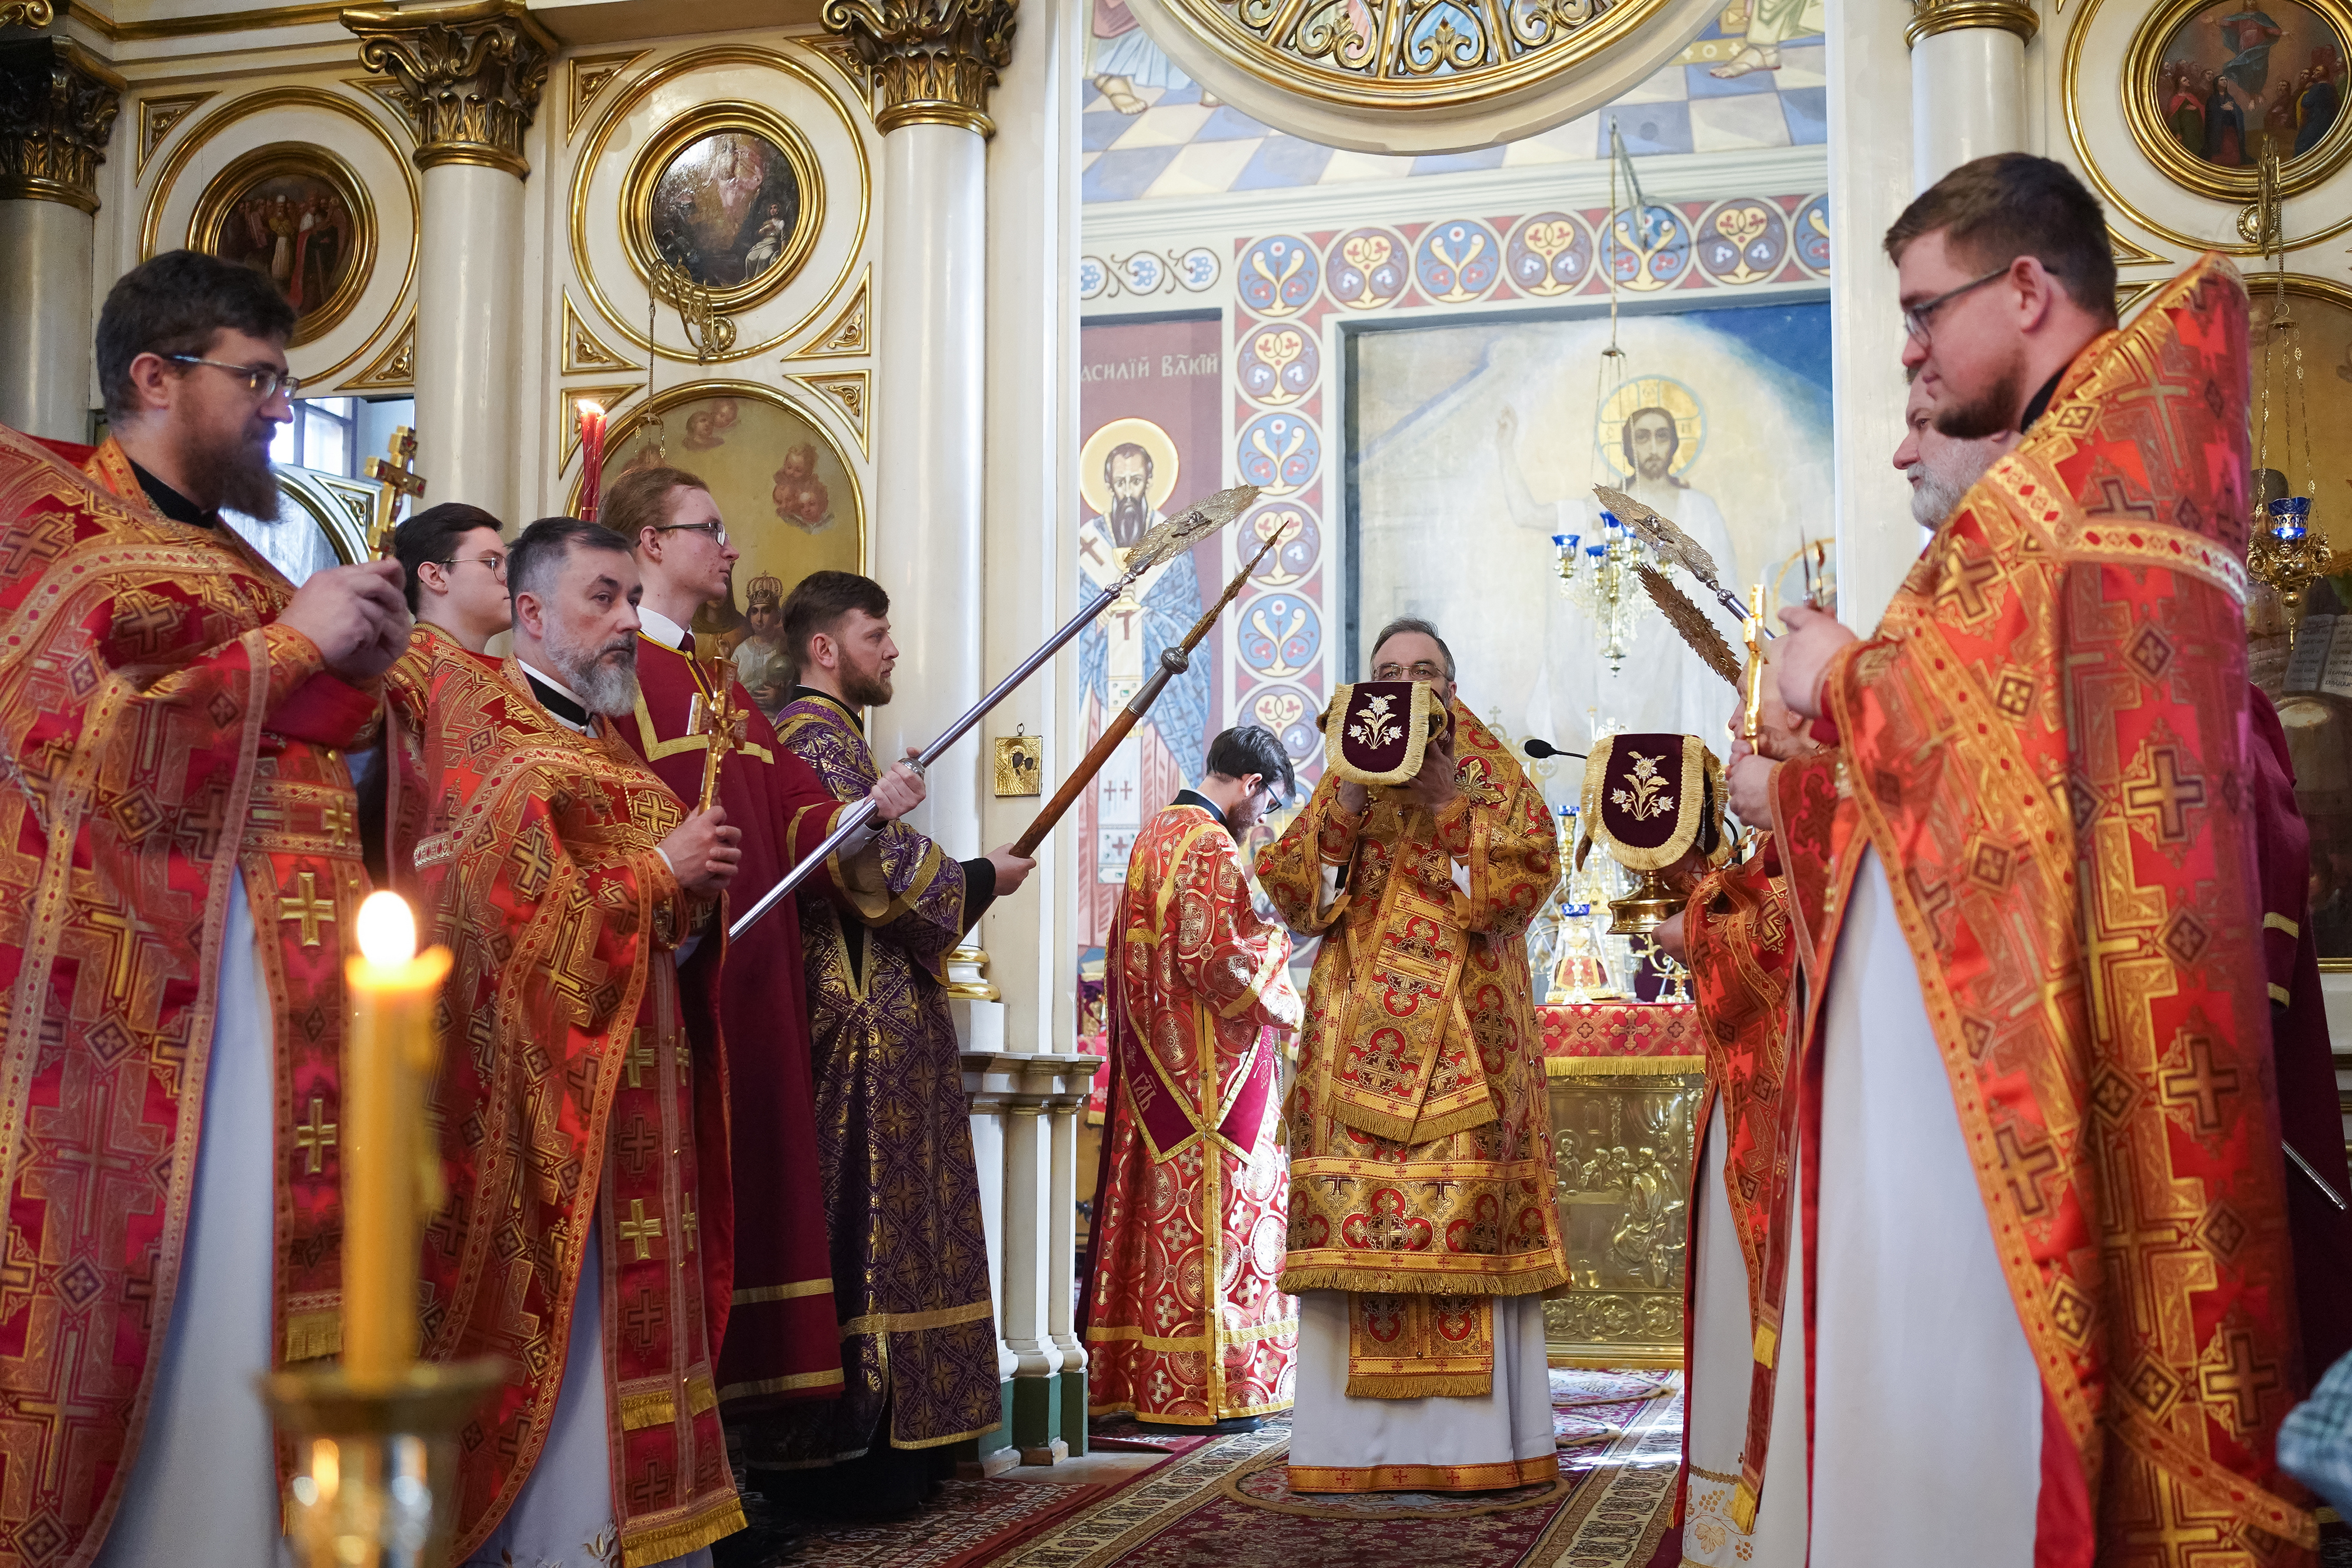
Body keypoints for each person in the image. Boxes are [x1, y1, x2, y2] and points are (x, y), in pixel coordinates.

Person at [1752, 153, 2314, 1563]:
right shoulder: (2107, 458)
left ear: (2021, 289)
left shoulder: (2079, 479)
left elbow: (1959, 723)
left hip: (2052, 1061)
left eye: (1921, 312)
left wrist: (1833, 678)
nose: (1909, 352)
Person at [0, 250, 409, 1565]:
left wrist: (361, 678)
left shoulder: (237, 562)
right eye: (260, 379)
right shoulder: (48, 521)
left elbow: (304, 743)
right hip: (145, 1015)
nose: (282, 409)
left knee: (257, 1278)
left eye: (287, 383)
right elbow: (70, 746)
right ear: (154, 375)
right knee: (178, 1284)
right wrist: (298, 646)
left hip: (286, 999)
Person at [1671, 375, 2011, 1567]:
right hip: (1795, 1107)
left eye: (1769, 714)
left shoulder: (1882, 732)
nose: (1751, 733)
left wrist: (1767, 831)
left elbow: (1800, 933)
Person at [416, 517, 746, 1567]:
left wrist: (690, 892)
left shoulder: (608, 748)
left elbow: (652, 910)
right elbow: (500, 920)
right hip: (546, 1114)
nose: (627, 621)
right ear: (531, 611)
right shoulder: (492, 735)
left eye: (630, 599)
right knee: (574, 1341)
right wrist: (659, 874)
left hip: (644, 1100)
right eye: (603, 597)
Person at [599, 466, 928, 1469]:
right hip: (678, 973)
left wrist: (865, 809)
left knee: (754, 1188)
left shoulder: (718, 681)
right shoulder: (618, 673)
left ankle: (733, 1460)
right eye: (710, 528)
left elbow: (792, 809)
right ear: (652, 543)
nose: (732, 548)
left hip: (759, 976)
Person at [1257, 617, 1566, 1493]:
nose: (1404, 686)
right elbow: (1293, 893)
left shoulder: (1490, 771)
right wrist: (1349, 801)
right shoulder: (1343, 776)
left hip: (1469, 1048)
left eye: (1422, 670)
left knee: (1465, 1228)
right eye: (1387, 673)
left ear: (1450, 686)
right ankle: (1346, 1448)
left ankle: (1479, 1444)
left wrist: (1444, 804)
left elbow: (1524, 883)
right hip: (1355, 1051)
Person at [754, 571, 1037, 1514]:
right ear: (824, 647)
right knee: (869, 1223)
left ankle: (904, 1441)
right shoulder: (812, 738)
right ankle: (860, 1451)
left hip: (882, 1016)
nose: (893, 649)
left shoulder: (842, 740)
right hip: (857, 1025)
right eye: (875, 633)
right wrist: (981, 876)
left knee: (896, 1221)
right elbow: (867, 866)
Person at [1083, 724, 1304, 1431]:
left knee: (1161, 1221)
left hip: (1157, 1069)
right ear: (1251, 784)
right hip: (1213, 1079)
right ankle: (1216, 1388)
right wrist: (1281, 948)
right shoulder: (1209, 843)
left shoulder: (1155, 834)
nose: (1262, 820)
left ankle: (1148, 1381)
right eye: (1267, 805)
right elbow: (1217, 959)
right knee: (1224, 1221)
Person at [1496, 400, 1740, 749]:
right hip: (1621, 654)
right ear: (1627, 447)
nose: (1653, 448)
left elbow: (1722, 590)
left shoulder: (1700, 509)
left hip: (1679, 655)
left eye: (1661, 437)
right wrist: (1505, 447)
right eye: (1642, 437)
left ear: (1674, 444)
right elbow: (1528, 515)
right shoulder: (1607, 507)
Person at [366, 501, 511, 887]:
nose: (509, 577)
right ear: (435, 576)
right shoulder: (400, 673)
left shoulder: (507, 678)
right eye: (492, 562)